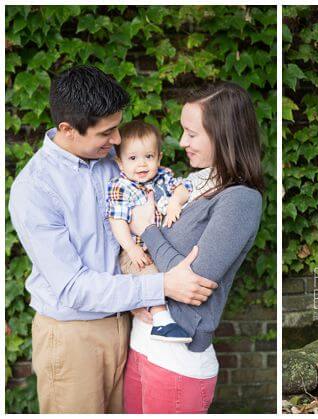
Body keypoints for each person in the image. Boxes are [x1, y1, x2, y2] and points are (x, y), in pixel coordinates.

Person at [7, 65, 217, 413]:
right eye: (107, 132)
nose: (117, 140)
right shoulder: (35, 189)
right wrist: (163, 286)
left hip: (128, 321)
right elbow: (73, 287)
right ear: (68, 130)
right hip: (74, 336)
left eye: (117, 128)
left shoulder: (111, 163)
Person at [122, 82, 264, 414]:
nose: (182, 142)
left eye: (191, 133)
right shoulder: (195, 185)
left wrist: (147, 230)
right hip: (140, 343)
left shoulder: (240, 199)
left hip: (177, 362)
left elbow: (192, 286)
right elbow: (165, 274)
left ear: (224, 134)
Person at [107, 120, 194, 343]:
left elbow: (185, 188)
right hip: (136, 250)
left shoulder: (164, 176)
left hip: (163, 245)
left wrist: (175, 201)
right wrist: (130, 247)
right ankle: (162, 320)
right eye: (133, 158)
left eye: (149, 156)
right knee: (147, 273)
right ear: (119, 162)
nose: (142, 164)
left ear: (159, 157)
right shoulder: (121, 186)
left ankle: (177, 315)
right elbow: (117, 221)